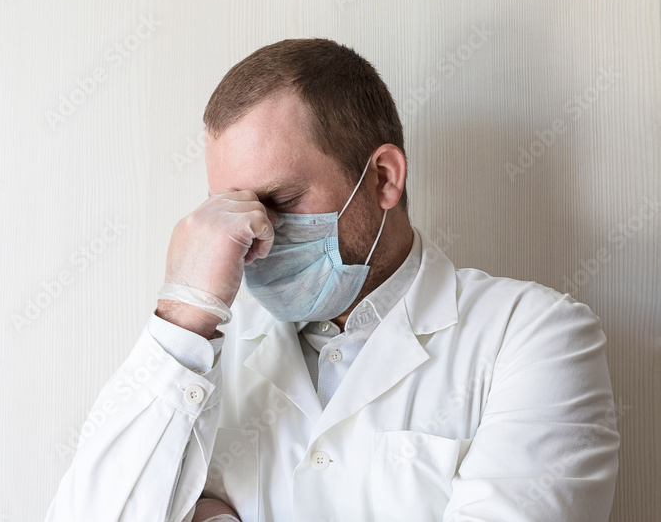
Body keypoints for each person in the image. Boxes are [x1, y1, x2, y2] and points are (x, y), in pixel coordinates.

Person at [44, 39, 620, 521]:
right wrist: (182, 314)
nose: (254, 232)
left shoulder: (535, 336)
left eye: (281, 199)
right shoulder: (204, 349)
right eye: (232, 208)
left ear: (383, 178)